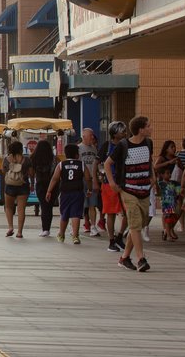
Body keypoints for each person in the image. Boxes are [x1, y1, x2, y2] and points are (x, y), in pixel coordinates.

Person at [104, 115, 154, 272]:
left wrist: (153, 177)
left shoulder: (148, 143)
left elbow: (149, 161)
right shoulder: (123, 145)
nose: (151, 128)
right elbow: (107, 163)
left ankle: (124, 257)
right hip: (128, 190)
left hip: (144, 190)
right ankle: (141, 259)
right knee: (134, 224)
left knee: (140, 224)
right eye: (148, 126)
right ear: (141, 129)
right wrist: (112, 183)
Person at [47, 144, 90, 245]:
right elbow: (88, 178)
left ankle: (61, 234)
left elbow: (55, 178)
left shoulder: (61, 164)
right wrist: (90, 189)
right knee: (76, 214)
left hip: (65, 192)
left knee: (64, 214)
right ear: (77, 155)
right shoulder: (82, 164)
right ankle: (75, 236)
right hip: (78, 192)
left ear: (66, 154)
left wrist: (49, 191)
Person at [98, 121, 128, 252]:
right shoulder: (106, 146)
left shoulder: (126, 145)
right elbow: (98, 163)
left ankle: (120, 236)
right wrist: (96, 179)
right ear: (115, 133)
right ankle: (111, 240)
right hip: (108, 183)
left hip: (124, 182)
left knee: (128, 212)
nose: (125, 133)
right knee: (111, 213)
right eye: (122, 131)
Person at [1, 141, 33, 238]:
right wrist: (32, 184)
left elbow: (3, 170)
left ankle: (10, 227)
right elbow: (32, 173)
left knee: (8, 207)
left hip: (10, 185)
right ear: (21, 149)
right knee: (21, 209)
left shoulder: (7, 159)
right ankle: (19, 232)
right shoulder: (26, 160)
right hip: (23, 185)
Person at [153, 140, 180, 241]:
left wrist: (178, 162)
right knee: (167, 209)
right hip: (165, 185)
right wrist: (169, 162)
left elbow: (183, 168)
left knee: (175, 208)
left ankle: (169, 229)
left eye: (174, 147)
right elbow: (155, 166)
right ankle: (167, 230)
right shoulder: (162, 158)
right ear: (166, 149)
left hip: (173, 184)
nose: (174, 149)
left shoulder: (175, 158)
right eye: (171, 147)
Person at [78, 129, 101, 237]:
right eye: (90, 135)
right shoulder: (78, 148)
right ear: (84, 136)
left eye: (92, 135)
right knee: (80, 204)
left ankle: (93, 226)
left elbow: (96, 164)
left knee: (93, 204)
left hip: (92, 179)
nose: (92, 138)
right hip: (82, 180)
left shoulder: (94, 149)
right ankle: (74, 225)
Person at [31, 140, 57, 237]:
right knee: (49, 207)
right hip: (52, 185)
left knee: (44, 206)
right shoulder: (53, 159)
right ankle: (47, 228)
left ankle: (45, 229)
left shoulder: (34, 158)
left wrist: (32, 183)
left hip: (40, 185)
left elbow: (32, 173)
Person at [173, 137, 185, 232]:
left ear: (182, 144)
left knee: (180, 203)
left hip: (179, 182)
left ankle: (182, 226)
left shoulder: (178, 154)